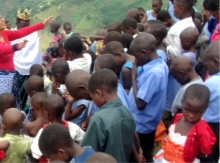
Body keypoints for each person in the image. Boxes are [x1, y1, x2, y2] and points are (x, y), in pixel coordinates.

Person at [0, 9, 52, 141]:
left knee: (13, 107)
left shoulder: (4, 34)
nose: (3, 20)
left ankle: (16, 134)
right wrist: (16, 47)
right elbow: (1, 50)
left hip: (10, 77)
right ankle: (0, 138)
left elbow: (21, 32)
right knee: (0, 112)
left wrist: (41, 24)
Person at [80, 69, 136, 162]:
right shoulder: (126, 112)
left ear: (99, 94)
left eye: (92, 97)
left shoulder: (98, 119)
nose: (93, 101)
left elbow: (87, 152)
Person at [128, 33, 168, 162]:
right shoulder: (159, 64)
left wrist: (133, 78)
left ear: (145, 53)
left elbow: (140, 103)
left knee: (142, 155)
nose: (134, 60)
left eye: (136, 56)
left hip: (142, 126)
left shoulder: (154, 73)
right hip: (143, 123)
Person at [155, 84, 216, 162]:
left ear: (205, 108)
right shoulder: (178, 117)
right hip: (167, 157)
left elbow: (206, 150)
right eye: (187, 109)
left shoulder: (203, 129)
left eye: (197, 112)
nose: (191, 115)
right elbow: (171, 134)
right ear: (182, 102)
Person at [10, 9, 47, 112]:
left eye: (27, 26)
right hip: (17, 70)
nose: (25, 30)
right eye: (22, 26)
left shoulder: (33, 33)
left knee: (32, 94)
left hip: (32, 71)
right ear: (16, 23)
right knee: (18, 95)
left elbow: (35, 52)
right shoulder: (11, 34)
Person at [31, 94, 85, 162]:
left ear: (47, 114)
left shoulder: (43, 132)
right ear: (64, 109)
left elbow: (36, 154)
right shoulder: (73, 127)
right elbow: (84, 139)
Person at [202, 41, 220, 162]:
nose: (207, 70)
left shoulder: (212, 82)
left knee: (208, 156)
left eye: (207, 67)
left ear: (216, 62)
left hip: (210, 128)